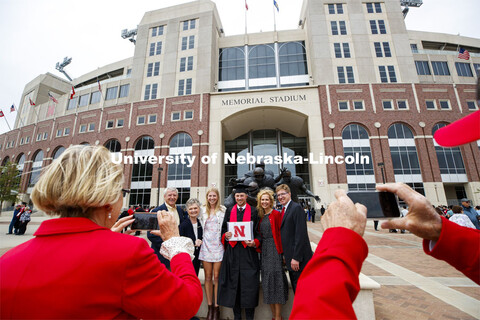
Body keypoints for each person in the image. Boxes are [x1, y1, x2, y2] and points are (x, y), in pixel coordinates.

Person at [0, 145, 202, 319]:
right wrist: (176, 245)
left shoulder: (8, 259)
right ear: (108, 198)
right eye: (121, 192)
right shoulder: (127, 253)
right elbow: (185, 304)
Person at [218, 184, 260, 320]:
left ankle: (249, 317)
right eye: (237, 196)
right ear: (234, 197)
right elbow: (223, 230)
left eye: (242, 195)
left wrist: (255, 242)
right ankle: (237, 317)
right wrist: (226, 235)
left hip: (248, 253)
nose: (240, 198)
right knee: (234, 284)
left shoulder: (254, 211)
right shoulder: (229, 211)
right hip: (233, 253)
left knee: (249, 285)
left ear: (246, 196)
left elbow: (259, 233)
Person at [256, 189, 288, 320]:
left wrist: (284, 254)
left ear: (271, 201)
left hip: (275, 250)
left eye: (266, 199)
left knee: (277, 282)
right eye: (262, 200)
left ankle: (278, 316)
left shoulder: (276, 214)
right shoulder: (260, 215)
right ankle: (273, 316)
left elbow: (282, 234)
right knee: (268, 283)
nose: (264, 202)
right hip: (264, 252)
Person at [276, 184, 312, 293]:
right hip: (291, 259)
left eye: (283, 194)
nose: (280, 197)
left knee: (302, 292)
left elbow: (300, 235)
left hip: (299, 262)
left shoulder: (296, 208)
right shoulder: (285, 210)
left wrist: (296, 257)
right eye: (278, 195)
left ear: (289, 194)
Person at [199, 187, 226, 320]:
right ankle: (210, 308)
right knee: (208, 277)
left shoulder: (223, 210)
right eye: (210, 196)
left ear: (218, 197)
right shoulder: (202, 210)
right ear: (207, 197)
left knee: (217, 277)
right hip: (206, 247)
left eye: (214, 196)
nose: (212, 198)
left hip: (219, 247)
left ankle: (217, 307)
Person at [148, 187, 187, 268]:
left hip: (177, 253)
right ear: (164, 196)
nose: (172, 197)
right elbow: (151, 234)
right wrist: (168, 246)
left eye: (174, 195)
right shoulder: (156, 211)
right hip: (162, 254)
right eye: (170, 195)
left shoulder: (180, 210)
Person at [179, 198, 203, 275]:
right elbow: (181, 241)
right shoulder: (183, 225)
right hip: (187, 257)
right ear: (187, 210)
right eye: (191, 209)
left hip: (198, 255)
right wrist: (193, 243)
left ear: (199, 209)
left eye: (195, 208)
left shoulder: (201, 223)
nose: (193, 211)